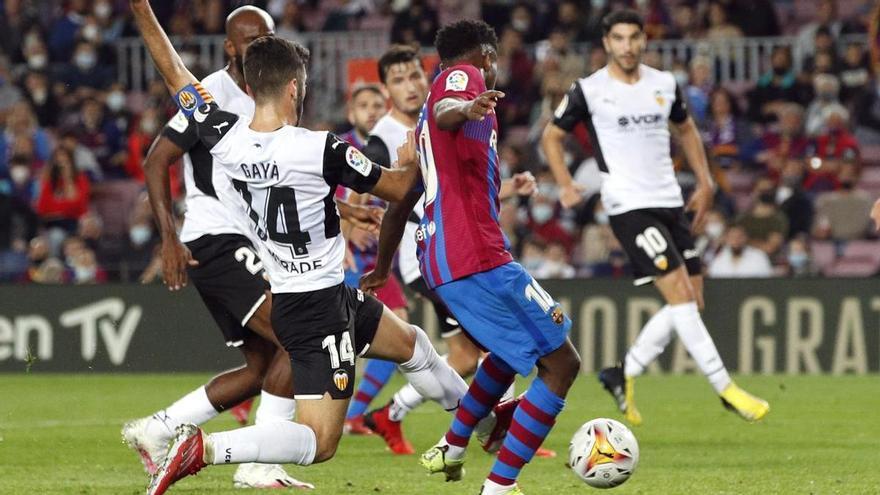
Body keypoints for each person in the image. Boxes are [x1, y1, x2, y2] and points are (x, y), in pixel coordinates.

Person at [128, 3, 469, 495]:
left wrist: (141, 8)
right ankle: (204, 450)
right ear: (294, 88)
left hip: (309, 294)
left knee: (413, 344)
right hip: (318, 308)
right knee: (320, 441)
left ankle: (481, 421)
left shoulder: (225, 139)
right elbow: (398, 189)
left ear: (250, 88)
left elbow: (172, 68)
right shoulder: (319, 148)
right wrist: (415, 155)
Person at [360, 20, 581, 495]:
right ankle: (498, 487)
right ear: (485, 54)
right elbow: (445, 108)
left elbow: (403, 200)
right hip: (476, 258)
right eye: (493, 58)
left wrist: (381, 266)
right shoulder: (465, 77)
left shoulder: (421, 132)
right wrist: (467, 104)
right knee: (562, 365)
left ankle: (453, 444)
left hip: (445, 261)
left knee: (504, 351)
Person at [541, 10, 769, 426]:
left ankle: (621, 372)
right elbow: (551, 137)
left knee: (692, 300)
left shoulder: (664, 84)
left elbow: (686, 131)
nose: (627, 46)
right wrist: (565, 184)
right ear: (607, 43)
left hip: (670, 200)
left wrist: (705, 181)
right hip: (628, 206)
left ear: (644, 40)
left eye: (634, 37)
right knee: (681, 296)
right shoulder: (588, 90)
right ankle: (726, 388)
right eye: (619, 39)